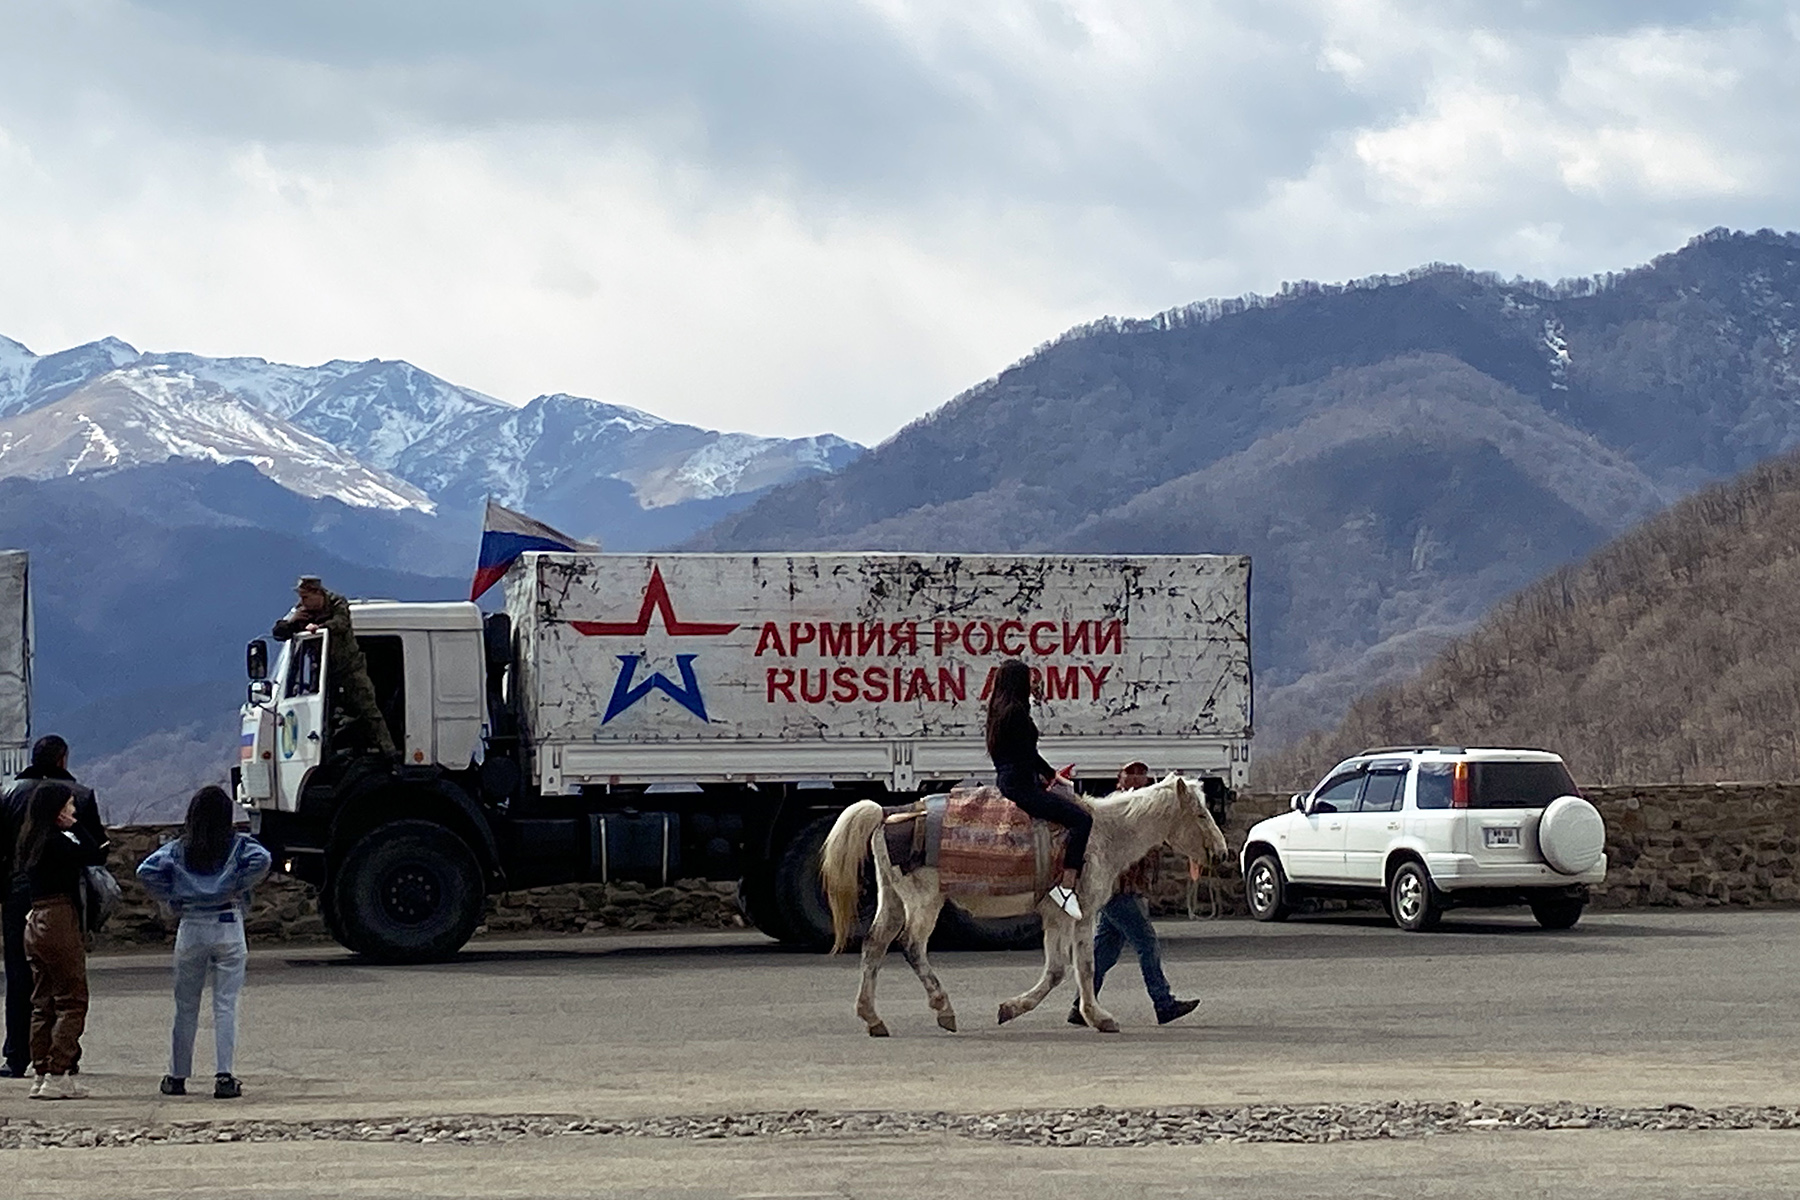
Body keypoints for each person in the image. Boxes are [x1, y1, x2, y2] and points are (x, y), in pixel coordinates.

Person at [137, 785, 271, 1100]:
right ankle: (224, 1075)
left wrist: (173, 895)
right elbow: (263, 859)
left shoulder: (179, 849)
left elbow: (146, 871)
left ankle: (177, 1075)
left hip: (192, 926)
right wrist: (237, 884)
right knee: (225, 1004)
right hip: (227, 921)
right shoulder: (237, 847)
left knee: (185, 1006)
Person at [1, 735, 106, 1080]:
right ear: (63, 759)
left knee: (21, 977)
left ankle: (17, 1055)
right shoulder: (78, 796)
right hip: (63, 895)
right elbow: (97, 852)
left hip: (18, 893)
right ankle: (65, 1056)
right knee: (65, 981)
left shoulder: (8, 794)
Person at [1069, 762, 1200, 1026]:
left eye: (1142, 774)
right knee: (1146, 942)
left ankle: (1081, 1005)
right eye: (1132, 773)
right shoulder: (1115, 806)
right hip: (1118, 889)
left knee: (1105, 950)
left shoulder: (1148, 812)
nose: (1138, 778)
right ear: (1121, 777)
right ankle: (1163, 1003)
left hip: (1127, 889)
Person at [18, 780, 109, 1099]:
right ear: (57, 811)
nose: (73, 810)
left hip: (35, 918)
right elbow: (93, 854)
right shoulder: (58, 841)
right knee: (71, 999)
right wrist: (78, 826)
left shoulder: (31, 840)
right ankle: (59, 1071)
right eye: (69, 805)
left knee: (42, 1001)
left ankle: (41, 1071)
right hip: (59, 919)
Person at [984, 657, 1091, 918]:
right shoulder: (1017, 713)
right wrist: (1047, 776)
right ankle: (1066, 887)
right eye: (1029, 679)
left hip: (1011, 779)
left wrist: (1052, 775)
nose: (1033, 683)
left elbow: (1022, 753)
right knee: (1082, 820)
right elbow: (1028, 755)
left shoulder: (1000, 708)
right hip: (1021, 785)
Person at [273, 575, 396, 757]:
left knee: (367, 710)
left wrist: (319, 627)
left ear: (318, 594)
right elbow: (278, 633)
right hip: (323, 673)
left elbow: (341, 623)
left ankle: (389, 753)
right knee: (326, 715)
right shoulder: (302, 611)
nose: (302, 601)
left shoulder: (337, 603)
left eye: (306, 597)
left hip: (349, 667)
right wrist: (292, 622)